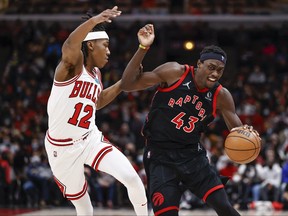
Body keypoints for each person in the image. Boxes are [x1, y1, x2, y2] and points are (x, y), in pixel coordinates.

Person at [120, 24, 261, 216]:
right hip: (160, 156)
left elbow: (237, 131)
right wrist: (143, 48)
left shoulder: (221, 95)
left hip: (192, 157)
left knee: (224, 207)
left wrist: (250, 138)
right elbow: (128, 84)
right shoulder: (174, 72)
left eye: (220, 70)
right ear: (199, 64)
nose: (215, 73)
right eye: (211, 67)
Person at [44, 6, 148, 216]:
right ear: (90, 45)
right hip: (61, 148)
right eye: (106, 45)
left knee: (132, 179)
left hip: (89, 139)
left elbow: (97, 102)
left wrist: (121, 83)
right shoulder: (72, 65)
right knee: (85, 208)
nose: (109, 51)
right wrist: (94, 21)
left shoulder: (97, 74)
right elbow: (70, 43)